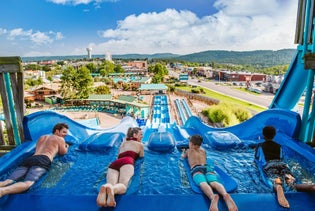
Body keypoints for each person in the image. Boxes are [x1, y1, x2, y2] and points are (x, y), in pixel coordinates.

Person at [0, 123, 69, 198]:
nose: (65, 134)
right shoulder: (60, 139)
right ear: (57, 131)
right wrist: (66, 146)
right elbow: (62, 152)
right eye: (64, 132)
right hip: (43, 160)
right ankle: (3, 191)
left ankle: (3, 185)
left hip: (31, 159)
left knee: (8, 180)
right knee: (28, 183)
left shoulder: (42, 137)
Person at [255, 125, 315, 208]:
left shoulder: (260, 146)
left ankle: (278, 187)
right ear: (274, 135)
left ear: (263, 135)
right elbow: (281, 158)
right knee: (290, 181)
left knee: (275, 179)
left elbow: (257, 159)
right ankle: (311, 187)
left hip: (269, 164)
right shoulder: (279, 146)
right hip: (282, 164)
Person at [181, 134, 238, 211]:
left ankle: (212, 197)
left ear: (191, 144)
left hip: (196, 168)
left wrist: (183, 151)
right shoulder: (203, 150)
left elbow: (183, 157)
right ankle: (225, 195)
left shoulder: (188, 151)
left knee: (202, 183)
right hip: (207, 168)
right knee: (214, 182)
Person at [96, 127, 144, 207]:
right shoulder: (140, 145)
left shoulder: (122, 144)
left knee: (110, 183)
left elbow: (118, 156)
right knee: (123, 185)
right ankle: (113, 190)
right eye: (141, 134)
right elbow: (141, 158)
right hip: (127, 161)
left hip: (114, 164)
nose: (142, 136)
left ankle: (106, 187)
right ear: (135, 135)